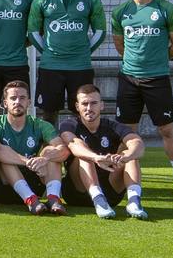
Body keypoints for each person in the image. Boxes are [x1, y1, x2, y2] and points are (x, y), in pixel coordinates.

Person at [111, 0, 173, 194]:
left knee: (166, 130)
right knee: (127, 133)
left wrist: (156, 61)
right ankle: (127, 179)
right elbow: (120, 46)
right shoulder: (120, 12)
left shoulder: (166, 9)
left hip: (157, 80)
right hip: (129, 80)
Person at [29, 0, 106, 123]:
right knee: (48, 114)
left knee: (81, 113)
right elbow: (33, 32)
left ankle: (80, 148)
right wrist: (49, 52)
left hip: (80, 66)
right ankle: (51, 148)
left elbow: (100, 31)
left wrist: (84, 51)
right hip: (51, 66)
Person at [59, 84, 148, 219]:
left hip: (111, 193)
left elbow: (138, 143)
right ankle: (98, 199)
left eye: (94, 103)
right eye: (85, 104)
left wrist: (124, 157)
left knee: (131, 155)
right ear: (77, 107)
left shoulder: (113, 126)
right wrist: (96, 158)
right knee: (84, 155)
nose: (89, 108)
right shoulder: (69, 124)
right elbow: (73, 144)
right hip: (77, 192)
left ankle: (134, 202)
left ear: (102, 105)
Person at [0, 80, 67, 215]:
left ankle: (53, 199)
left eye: (22, 98)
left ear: (28, 102)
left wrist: (44, 159)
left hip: (34, 184)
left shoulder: (40, 125)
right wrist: (28, 162)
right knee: (3, 151)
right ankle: (31, 201)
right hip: (2, 187)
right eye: (13, 98)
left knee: (50, 152)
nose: (17, 101)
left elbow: (62, 149)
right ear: (5, 103)